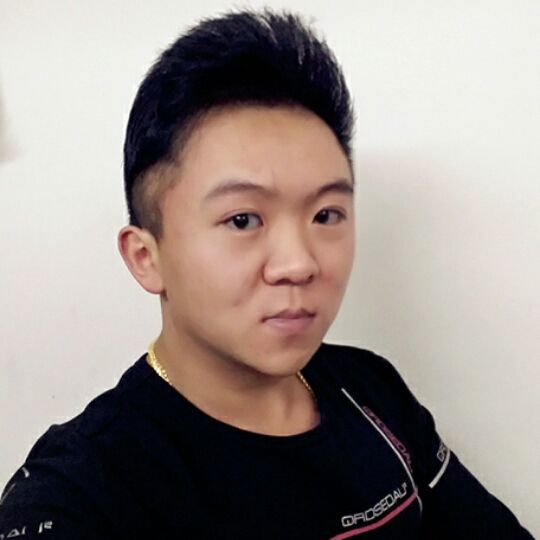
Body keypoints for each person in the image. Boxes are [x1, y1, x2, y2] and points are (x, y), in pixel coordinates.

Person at [0, 8, 534, 540]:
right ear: (146, 257)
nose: (299, 263)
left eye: (326, 215)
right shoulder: (85, 490)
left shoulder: (371, 390)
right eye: (243, 220)